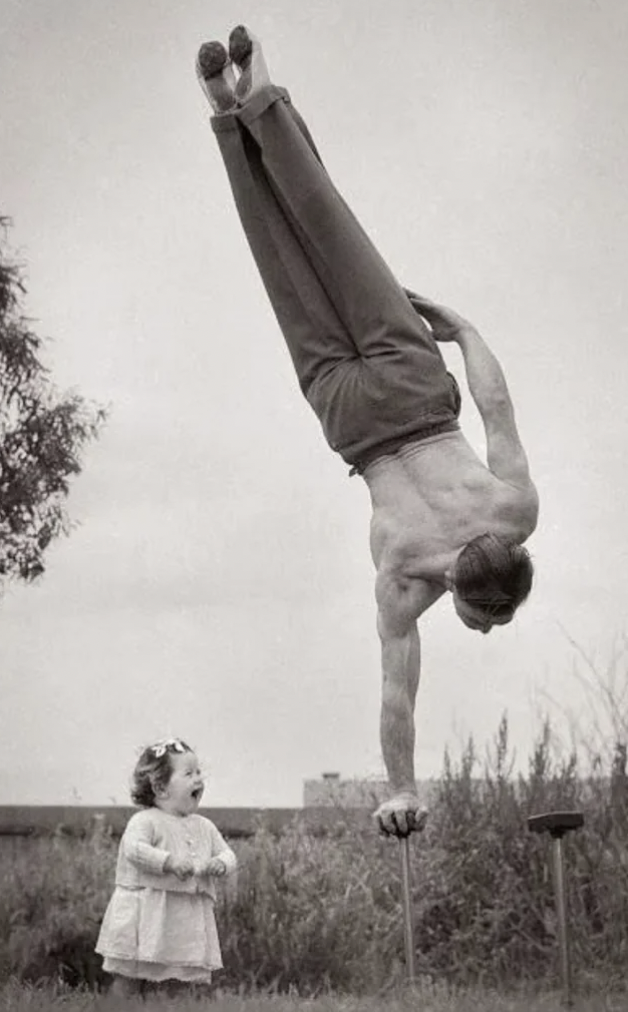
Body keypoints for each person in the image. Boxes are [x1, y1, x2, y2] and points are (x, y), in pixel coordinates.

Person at [195, 28, 539, 837]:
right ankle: (224, 111)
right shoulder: (405, 583)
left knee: (327, 226)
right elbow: (397, 690)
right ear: (458, 589)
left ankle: (257, 92)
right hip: (354, 419)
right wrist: (402, 788)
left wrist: (463, 328)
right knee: (279, 257)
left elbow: (495, 406)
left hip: (416, 389)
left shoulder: (516, 513)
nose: (485, 633)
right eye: (490, 622)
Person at [95, 737, 236, 998]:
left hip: (181, 918)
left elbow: (228, 853)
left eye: (198, 772)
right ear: (161, 788)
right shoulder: (145, 821)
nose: (198, 779)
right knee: (129, 975)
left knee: (177, 976)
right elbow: (134, 849)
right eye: (188, 773)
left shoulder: (203, 825)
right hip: (146, 913)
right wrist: (168, 862)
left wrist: (220, 863)